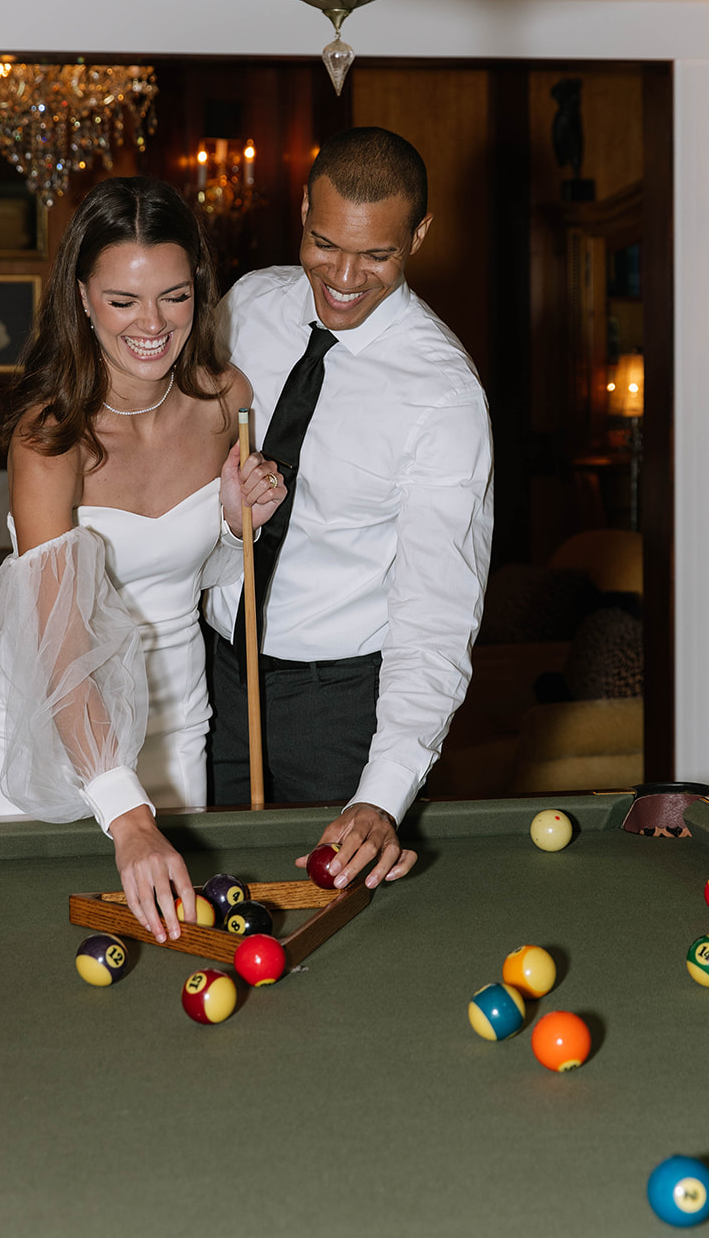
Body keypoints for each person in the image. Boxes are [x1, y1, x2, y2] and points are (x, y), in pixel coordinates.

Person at [0, 177, 285, 946]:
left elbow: (208, 578)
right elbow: (64, 637)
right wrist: (127, 816)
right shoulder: (50, 435)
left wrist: (240, 525)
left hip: (174, 716)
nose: (153, 325)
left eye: (173, 297)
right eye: (123, 301)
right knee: (36, 952)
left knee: (180, 943)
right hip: (45, 715)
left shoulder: (224, 401)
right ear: (80, 296)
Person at [203, 126, 493, 890]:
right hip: (207, 679)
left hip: (335, 711)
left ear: (419, 235)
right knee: (207, 910)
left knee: (327, 931)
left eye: (377, 255)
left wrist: (380, 793)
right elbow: (154, 466)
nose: (344, 276)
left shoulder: (445, 396)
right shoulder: (246, 307)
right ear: (302, 209)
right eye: (324, 243)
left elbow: (437, 612)